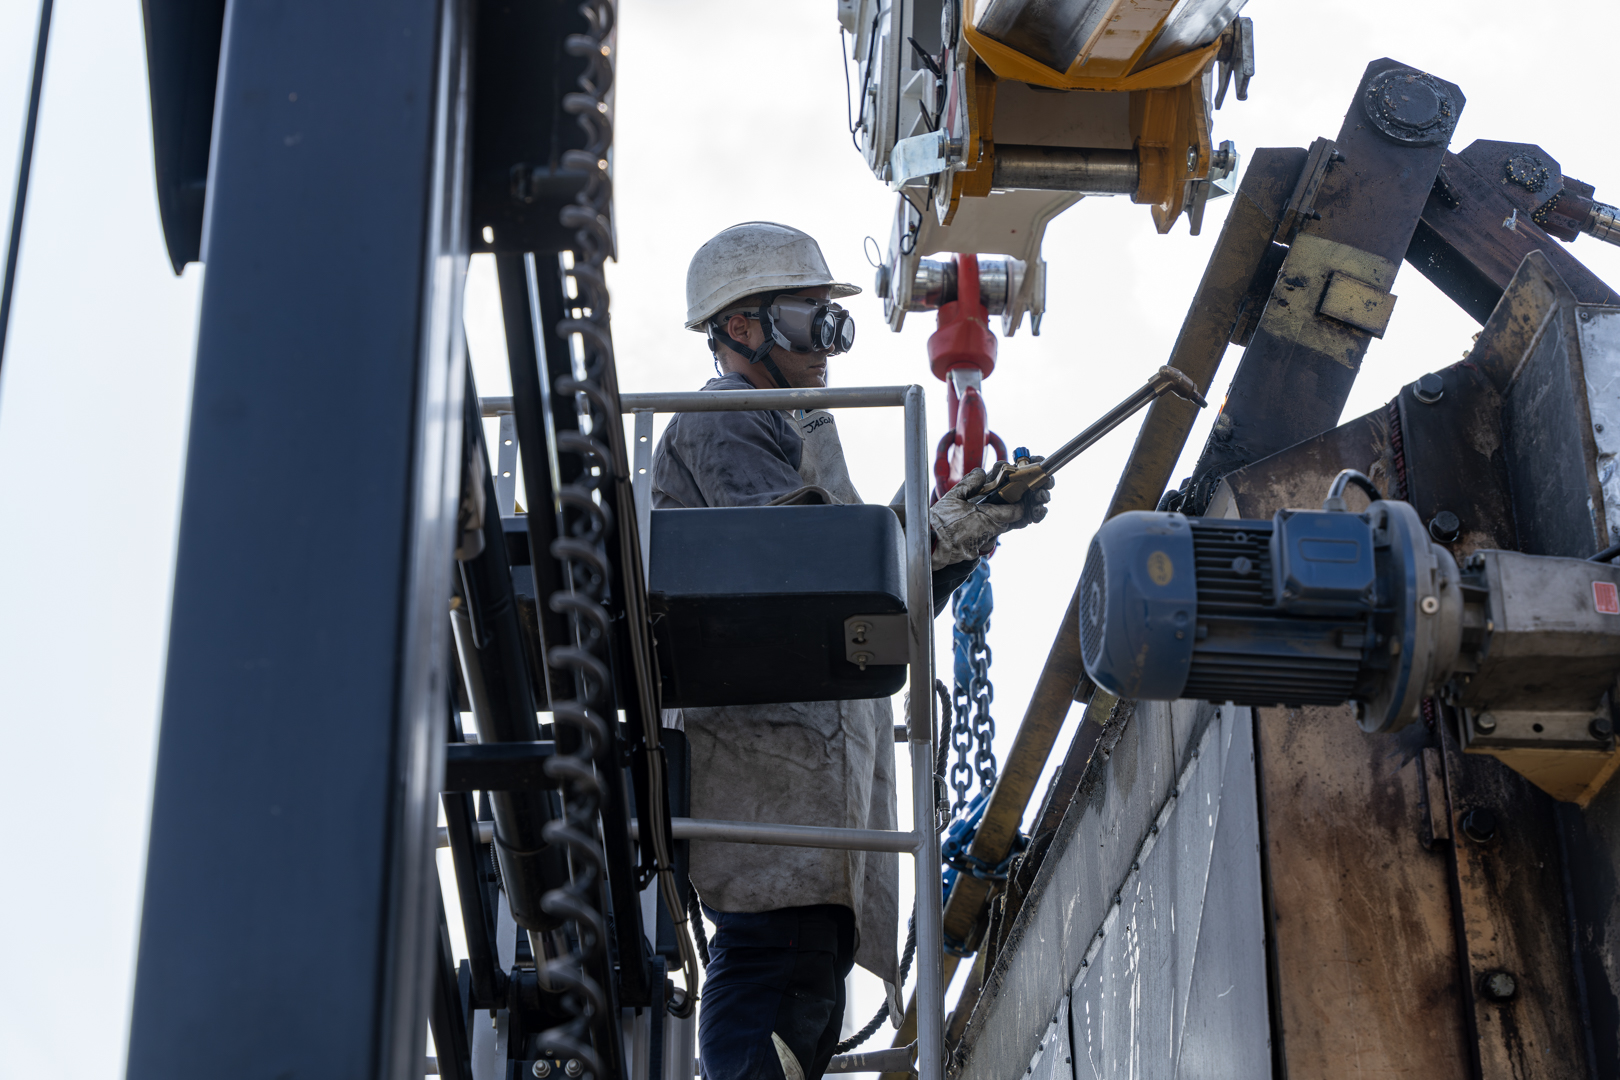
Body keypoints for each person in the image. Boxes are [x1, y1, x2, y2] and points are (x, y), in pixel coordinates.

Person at [652, 222, 1053, 1080]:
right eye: (811, 321)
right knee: (768, 978)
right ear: (743, 328)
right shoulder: (720, 423)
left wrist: (957, 529)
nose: (831, 344)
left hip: (817, 802)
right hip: (770, 795)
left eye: (835, 323)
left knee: (802, 994)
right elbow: (800, 571)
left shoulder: (794, 427)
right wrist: (936, 531)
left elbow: (873, 602)